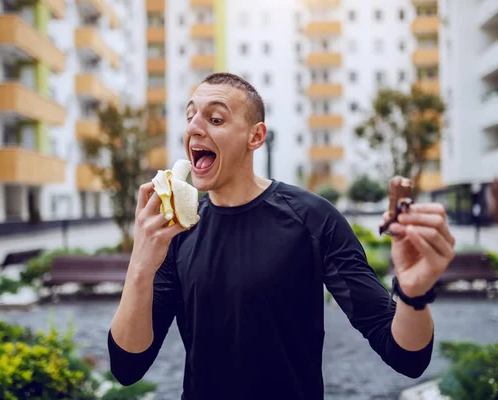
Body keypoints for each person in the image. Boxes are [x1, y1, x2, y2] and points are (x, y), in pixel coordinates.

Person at [107, 73, 456, 400]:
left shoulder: (313, 219)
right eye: (189, 117)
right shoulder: (178, 231)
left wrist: (413, 294)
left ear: (255, 137)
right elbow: (127, 365)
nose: (194, 127)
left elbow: (406, 357)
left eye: (215, 119)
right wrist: (141, 263)